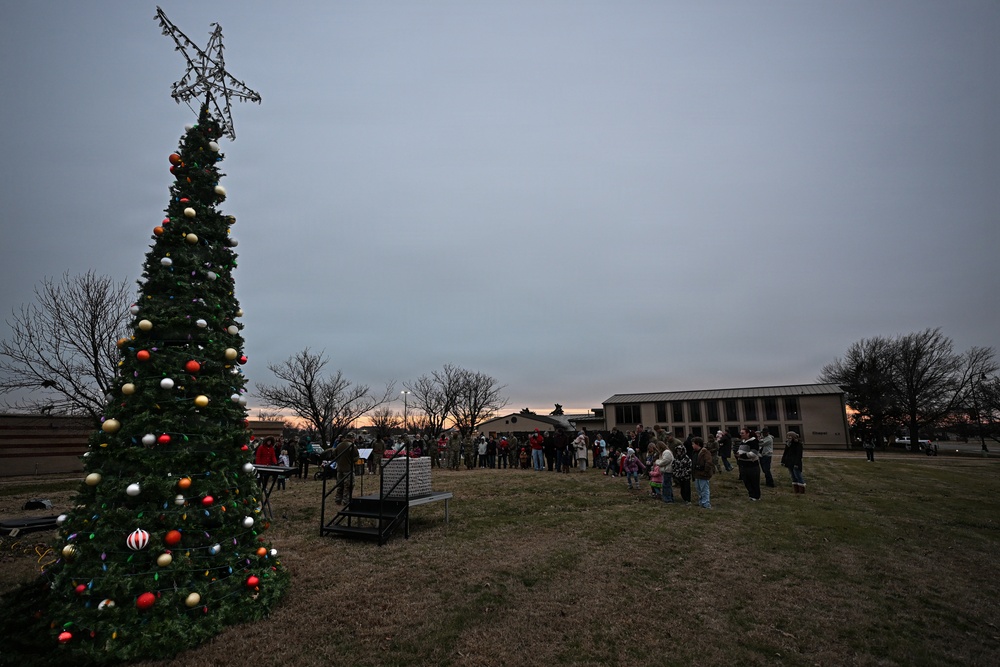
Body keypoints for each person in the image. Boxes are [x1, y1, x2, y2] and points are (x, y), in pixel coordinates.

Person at [326, 434, 360, 505]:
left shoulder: (339, 445)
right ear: (352, 438)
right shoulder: (352, 446)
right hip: (348, 468)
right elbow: (356, 457)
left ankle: (338, 499)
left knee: (340, 485)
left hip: (339, 468)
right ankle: (346, 500)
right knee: (348, 485)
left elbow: (334, 454)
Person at [736, 428, 762, 501]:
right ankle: (751, 495)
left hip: (752, 465)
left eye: (742, 433)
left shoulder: (753, 441)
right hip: (743, 465)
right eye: (740, 433)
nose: (741, 434)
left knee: (754, 481)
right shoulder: (743, 442)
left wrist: (742, 456)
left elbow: (753, 453)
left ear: (747, 434)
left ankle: (756, 496)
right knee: (746, 481)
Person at [692, 437, 713, 509]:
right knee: (699, 489)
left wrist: (705, 471)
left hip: (703, 474)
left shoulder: (705, 452)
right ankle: (701, 502)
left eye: (693, 444)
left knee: (704, 489)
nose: (692, 445)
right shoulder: (695, 453)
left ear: (697, 444)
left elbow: (709, 463)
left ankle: (706, 503)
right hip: (697, 474)